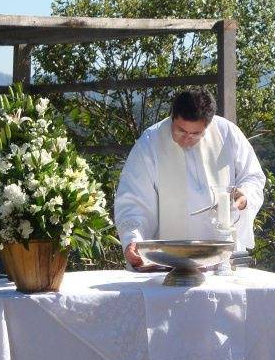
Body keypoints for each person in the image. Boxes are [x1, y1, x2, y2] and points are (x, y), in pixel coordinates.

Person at [114, 88, 266, 268]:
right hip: (168, 263)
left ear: (207, 126)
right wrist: (133, 238)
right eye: (180, 131)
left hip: (223, 261)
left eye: (195, 134)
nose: (187, 139)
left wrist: (245, 196)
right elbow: (134, 199)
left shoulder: (228, 134)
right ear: (172, 116)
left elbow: (252, 176)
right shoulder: (150, 143)